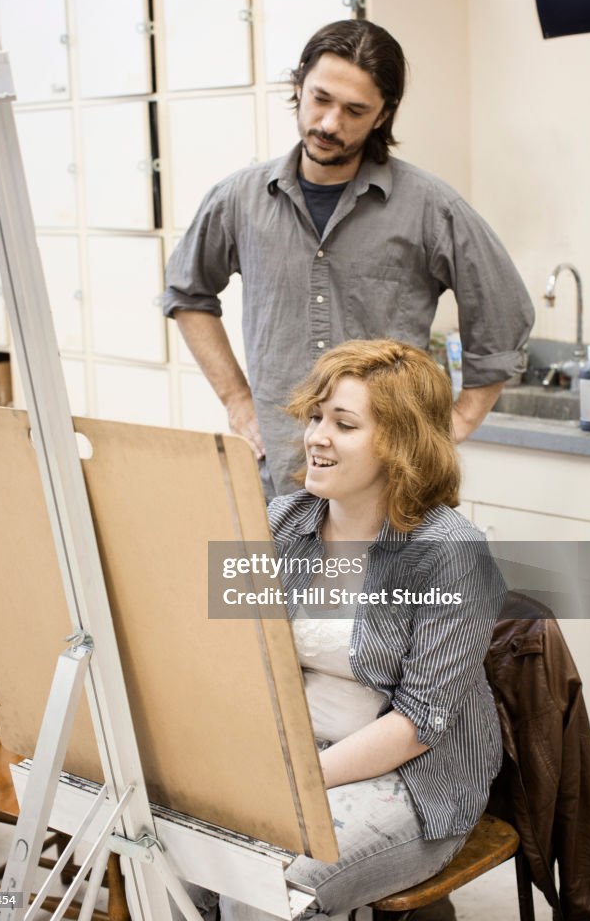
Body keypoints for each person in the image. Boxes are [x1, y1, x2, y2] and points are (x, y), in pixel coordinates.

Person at [198, 338, 507, 921]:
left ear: (400, 443)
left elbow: (420, 725)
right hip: (289, 752)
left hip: (413, 779)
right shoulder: (282, 522)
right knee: (171, 858)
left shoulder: (450, 553)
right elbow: (226, 654)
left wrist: (289, 780)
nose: (316, 436)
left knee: (260, 888)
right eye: (316, 416)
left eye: (344, 423)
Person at [162, 19, 534, 498]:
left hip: (391, 485)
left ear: (382, 115)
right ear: (299, 86)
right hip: (281, 477)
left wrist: (462, 418)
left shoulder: (430, 207)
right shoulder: (238, 199)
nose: (330, 124)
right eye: (320, 98)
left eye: (355, 110)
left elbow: (504, 314)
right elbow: (186, 294)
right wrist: (237, 400)